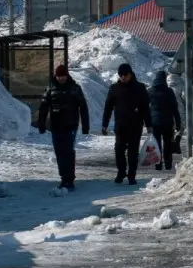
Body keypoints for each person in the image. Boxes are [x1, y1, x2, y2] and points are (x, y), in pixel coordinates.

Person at [37, 64, 90, 192]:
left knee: (68, 151)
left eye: (63, 76)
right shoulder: (50, 88)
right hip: (56, 126)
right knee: (59, 152)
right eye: (59, 76)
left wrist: (85, 126)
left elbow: (83, 107)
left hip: (70, 125)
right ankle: (63, 177)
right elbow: (43, 107)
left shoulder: (75, 88)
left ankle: (70, 179)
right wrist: (41, 124)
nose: (61, 79)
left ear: (67, 76)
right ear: (56, 76)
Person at [101, 63, 152, 185]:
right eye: (120, 75)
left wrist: (149, 125)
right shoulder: (114, 88)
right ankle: (121, 171)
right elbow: (108, 107)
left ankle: (131, 175)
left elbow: (145, 108)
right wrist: (104, 124)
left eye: (125, 74)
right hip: (120, 125)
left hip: (135, 125)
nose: (123, 77)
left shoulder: (140, 88)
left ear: (130, 74)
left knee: (133, 152)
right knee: (119, 150)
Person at [147, 70, 182, 171]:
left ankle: (158, 164)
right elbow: (174, 108)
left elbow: (145, 106)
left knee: (156, 144)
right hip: (167, 122)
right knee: (167, 143)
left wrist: (146, 120)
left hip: (155, 123)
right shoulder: (169, 91)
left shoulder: (150, 91)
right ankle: (168, 164)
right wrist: (178, 123)